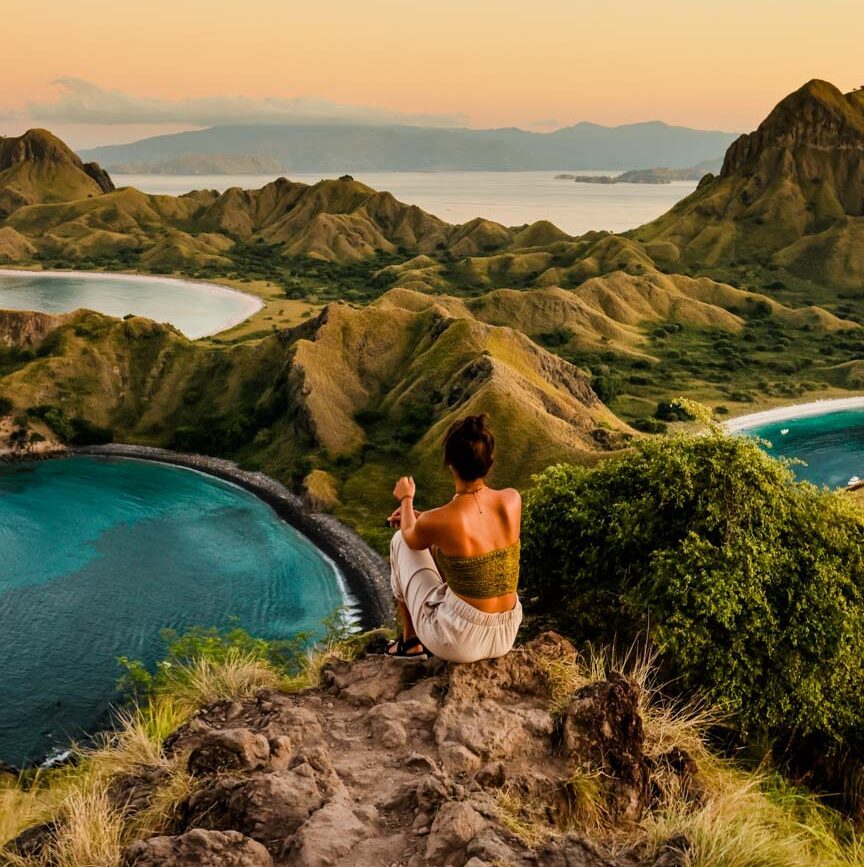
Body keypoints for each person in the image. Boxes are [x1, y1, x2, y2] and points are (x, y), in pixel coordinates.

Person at [386, 414, 522, 663]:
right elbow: (474, 523)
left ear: (450, 463)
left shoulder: (442, 521)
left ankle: (411, 643)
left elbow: (410, 537)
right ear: (489, 462)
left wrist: (406, 500)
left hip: (460, 640)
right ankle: (411, 642)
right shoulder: (512, 500)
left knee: (399, 543)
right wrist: (421, 516)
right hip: (505, 632)